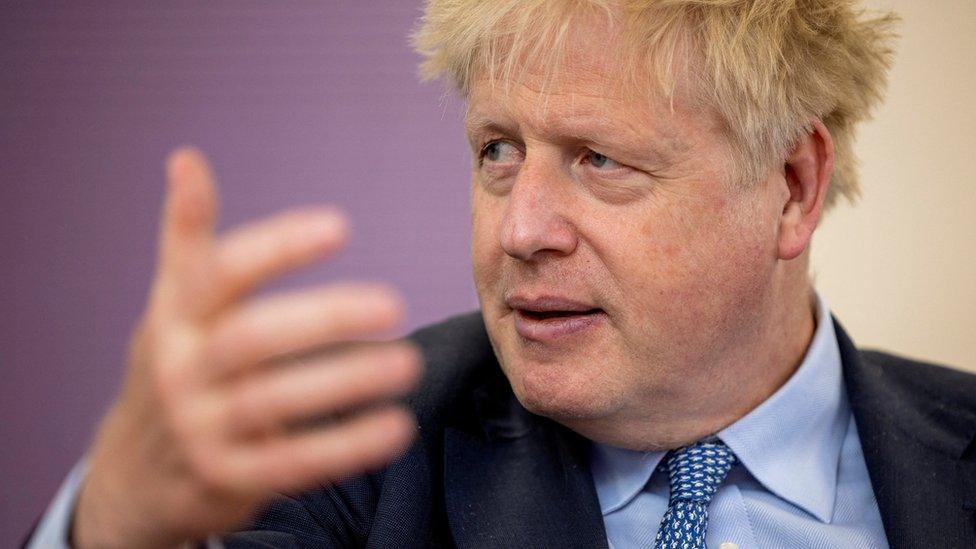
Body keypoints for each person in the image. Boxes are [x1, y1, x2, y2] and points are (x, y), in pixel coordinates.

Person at [25, 1, 976, 547]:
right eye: (497, 151)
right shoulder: (347, 457)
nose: (519, 229)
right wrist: (106, 524)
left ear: (792, 186)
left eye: (600, 160)